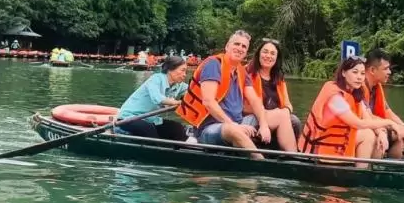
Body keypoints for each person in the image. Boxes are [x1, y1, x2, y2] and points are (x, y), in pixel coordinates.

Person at [176, 30, 270, 158]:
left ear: (246, 53)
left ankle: (294, 157)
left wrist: (264, 125)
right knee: (233, 130)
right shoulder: (213, 65)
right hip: (209, 129)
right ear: (227, 46)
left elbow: (255, 101)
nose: (240, 48)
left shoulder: (241, 71)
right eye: (236, 44)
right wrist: (233, 125)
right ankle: (261, 163)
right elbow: (208, 102)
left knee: (282, 115)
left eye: (244, 46)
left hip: (237, 123)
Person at [299, 56, 402, 168]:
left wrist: (381, 133)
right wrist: (389, 122)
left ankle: (369, 170)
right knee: (368, 134)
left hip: (339, 143)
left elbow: (367, 118)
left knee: (374, 135)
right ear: (343, 73)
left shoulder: (355, 94)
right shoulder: (335, 96)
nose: (359, 77)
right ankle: (360, 174)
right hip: (319, 150)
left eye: (362, 74)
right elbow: (358, 123)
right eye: (355, 72)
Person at [243, 38, 299, 152]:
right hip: (251, 116)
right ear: (258, 54)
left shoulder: (278, 78)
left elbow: (288, 104)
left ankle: (283, 150)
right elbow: (242, 106)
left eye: (273, 53)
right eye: (265, 52)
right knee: (282, 115)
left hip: (275, 116)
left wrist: (284, 111)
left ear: (276, 58)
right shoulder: (246, 73)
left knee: (295, 121)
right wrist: (269, 113)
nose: (268, 56)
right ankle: (293, 154)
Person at [116, 55, 190, 140]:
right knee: (149, 131)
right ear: (170, 70)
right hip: (129, 118)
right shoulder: (156, 79)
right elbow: (157, 98)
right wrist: (177, 102)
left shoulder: (179, 85)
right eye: (182, 70)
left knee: (177, 128)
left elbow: (193, 91)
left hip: (151, 119)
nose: (184, 75)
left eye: (186, 72)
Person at [364, 49, 404, 158]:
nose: (389, 72)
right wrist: (392, 125)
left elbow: (387, 111)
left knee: (401, 136)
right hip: (364, 127)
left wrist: (403, 126)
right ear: (372, 70)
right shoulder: (359, 87)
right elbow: (366, 115)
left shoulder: (376, 87)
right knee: (378, 138)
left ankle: (393, 167)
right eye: (386, 69)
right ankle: (374, 170)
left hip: (376, 125)